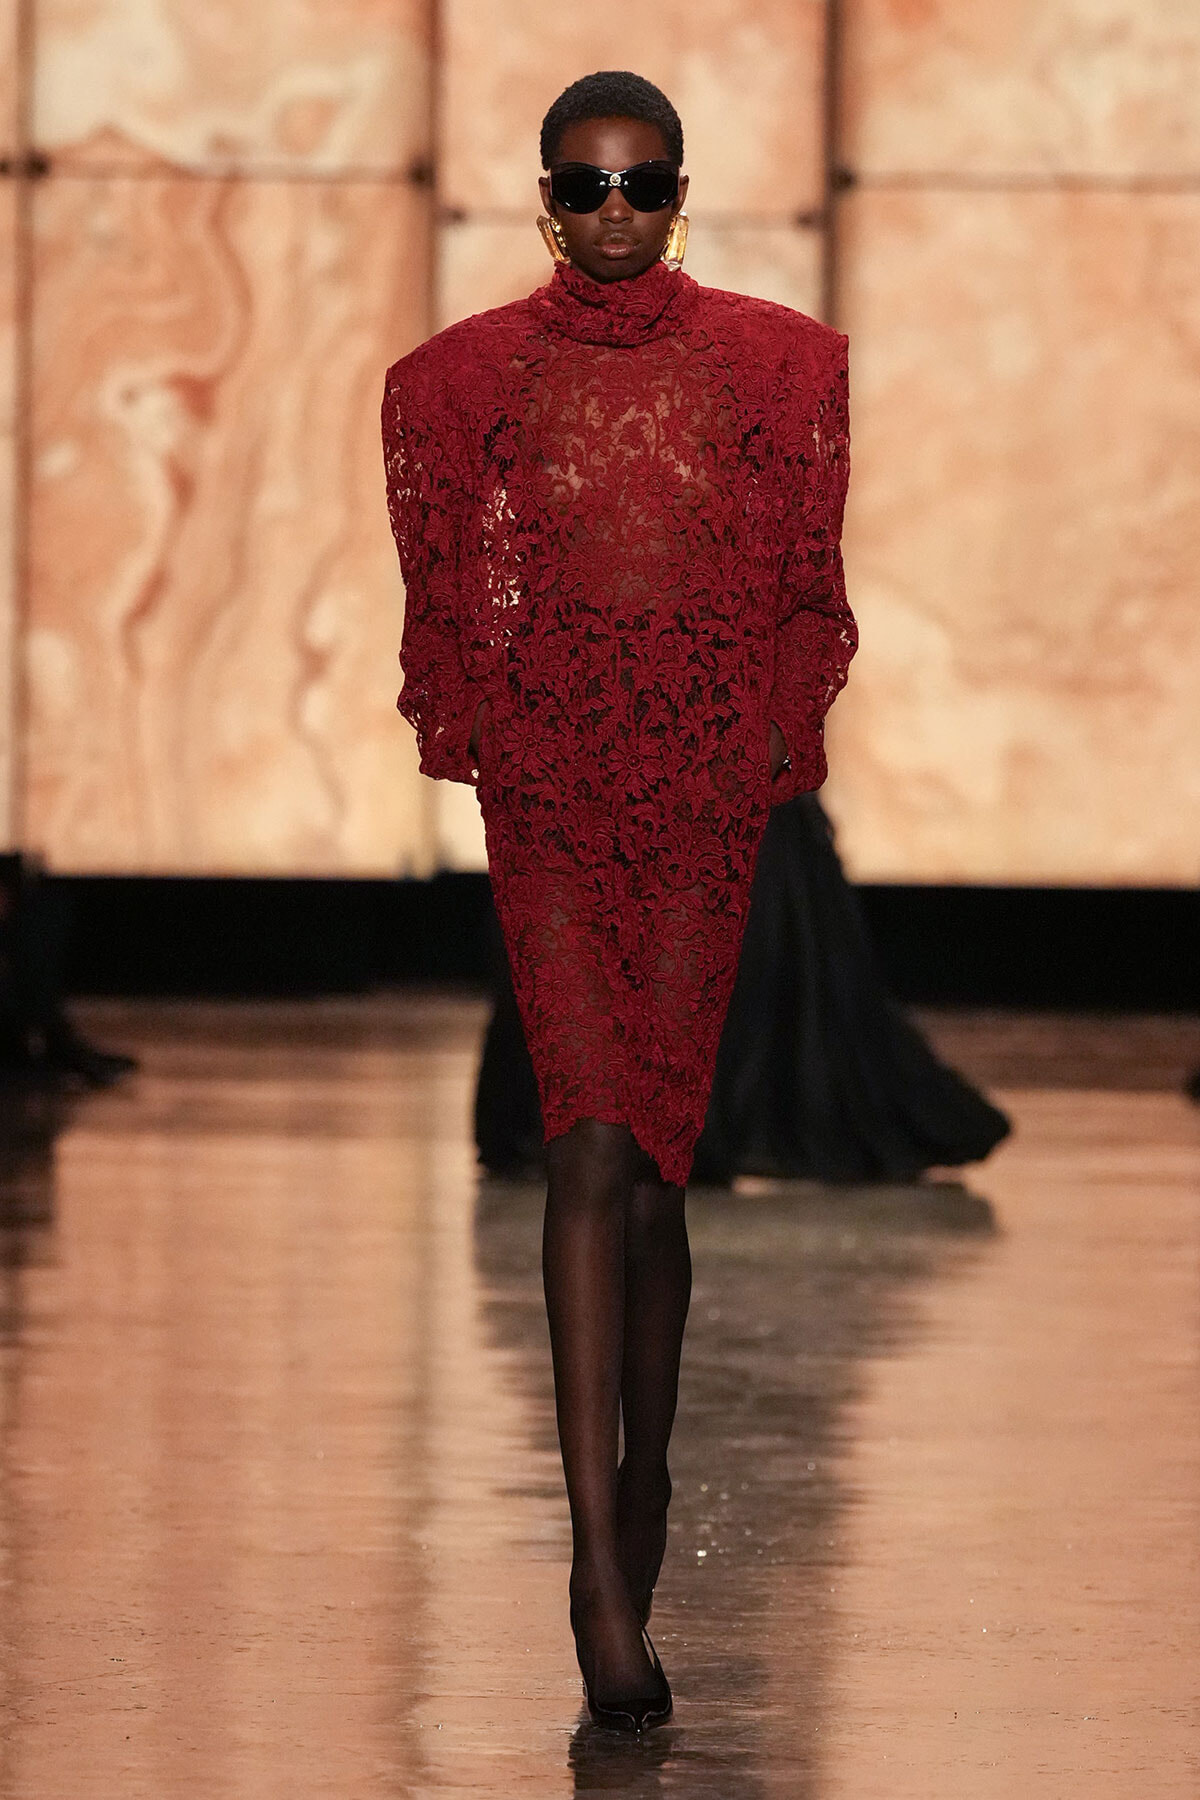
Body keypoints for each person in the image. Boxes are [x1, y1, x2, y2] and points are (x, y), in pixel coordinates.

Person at [382, 71, 856, 1731]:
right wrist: (521, 714)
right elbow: (463, 589)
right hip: (560, 816)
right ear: (540, 196)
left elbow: (793, 589)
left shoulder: (778, 371)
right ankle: (597, 1568)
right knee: (584, 1145)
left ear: (679, 193)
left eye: (642, 185)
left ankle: (646, 1489)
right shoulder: (459, 390)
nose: (613, 217)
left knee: (660, 1177)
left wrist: (734, 736)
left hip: (700, 816)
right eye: (582, 189)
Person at [476, 793, 1010, 1182]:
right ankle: (645, 1120)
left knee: (734, 922)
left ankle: (678, 1119)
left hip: (711, 704)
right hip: (606, 712)